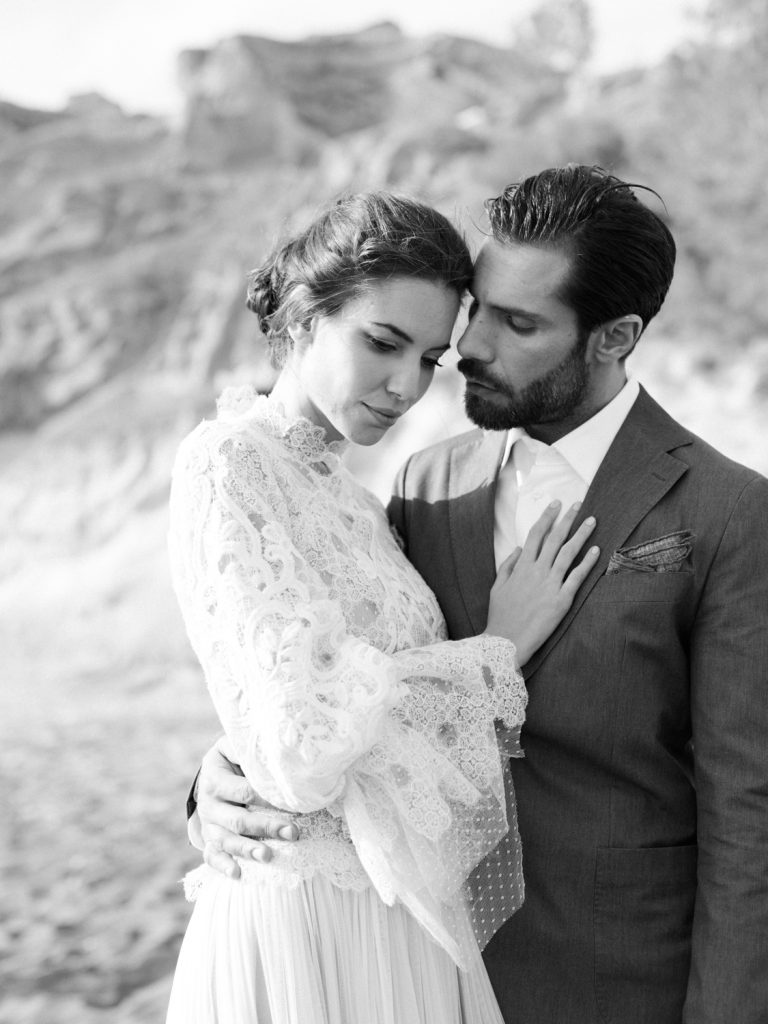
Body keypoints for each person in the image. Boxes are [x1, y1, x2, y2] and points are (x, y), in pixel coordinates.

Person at [194, 166, 768, 1024]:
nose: (470, 348)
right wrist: (221, 779)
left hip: (614, 982)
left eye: (519, 323)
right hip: (411, 965)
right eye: (477, 312)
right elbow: (339, 679)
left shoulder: (729, 511)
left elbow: (748, 814)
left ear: (614, 337)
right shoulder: (425, 485)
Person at [166, 191, 599, 1024]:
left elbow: (321, 708)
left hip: (401, 915)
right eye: (382, 342)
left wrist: (231, 751)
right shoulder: (226, 462)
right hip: (304, 920)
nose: (406, 386)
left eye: (430, 358)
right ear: (303, 318)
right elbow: (299, 747)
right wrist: (497, 646)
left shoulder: (366, 506)